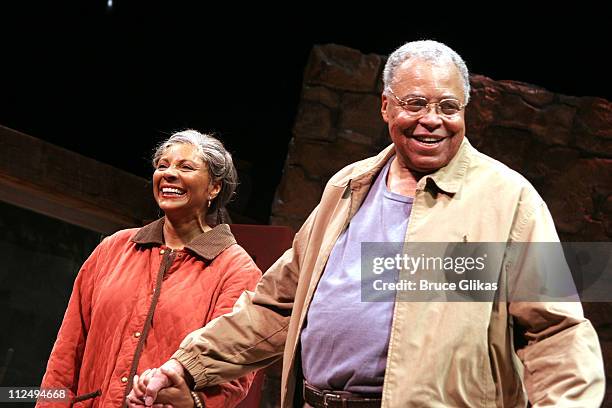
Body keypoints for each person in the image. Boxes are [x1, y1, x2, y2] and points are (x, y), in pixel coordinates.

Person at [128, 41, 605, 407]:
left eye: (447, 107)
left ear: (465, 111)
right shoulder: (346, 188)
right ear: (385, 107)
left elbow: (555, 332)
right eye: (415, 104)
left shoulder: (508, 200)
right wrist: (191, 367)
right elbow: (276, 306)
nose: (432, 121)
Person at [38, 130, 262, 407]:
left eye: (186, 167)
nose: (168, 173)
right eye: (162, 165)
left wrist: (192, 402)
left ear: (214, 188)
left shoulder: (236, 270)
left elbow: (234, 368)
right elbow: (67, 351)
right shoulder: (114, 248)